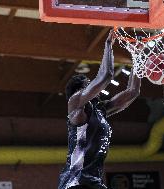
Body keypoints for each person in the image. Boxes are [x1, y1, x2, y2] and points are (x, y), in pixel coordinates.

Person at [58, 30, 141, 189]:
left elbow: (132, 92)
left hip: (93, 181)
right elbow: (105, 76)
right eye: (88, 84)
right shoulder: (75, 104)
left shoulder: (100, 110)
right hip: (75, 181)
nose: (93, 87)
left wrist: (138, 58)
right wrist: (108, 44)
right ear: (80, 90)